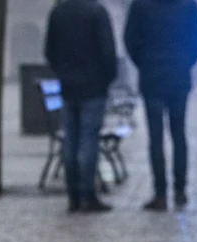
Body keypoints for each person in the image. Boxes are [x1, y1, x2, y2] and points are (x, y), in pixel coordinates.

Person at [124, 0, 197, 211]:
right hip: (179, 77)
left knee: (156, 138)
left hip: (151, 77)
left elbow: (130, 40)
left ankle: (160, 193)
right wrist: (185, 62)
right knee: (179, 135)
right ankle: (180, 190)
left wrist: (144, 63)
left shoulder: (141, 5)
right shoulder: (187, 5)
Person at [45, 0, 119, 213]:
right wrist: (105, 80)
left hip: (69, 88)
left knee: (71, 141)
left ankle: (73, 195)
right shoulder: (97, 12)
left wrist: (63, 73)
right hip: (94, 88)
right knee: (88, 141)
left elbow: (49, 50)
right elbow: (108, 51)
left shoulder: (58, 12)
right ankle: (88, 194)